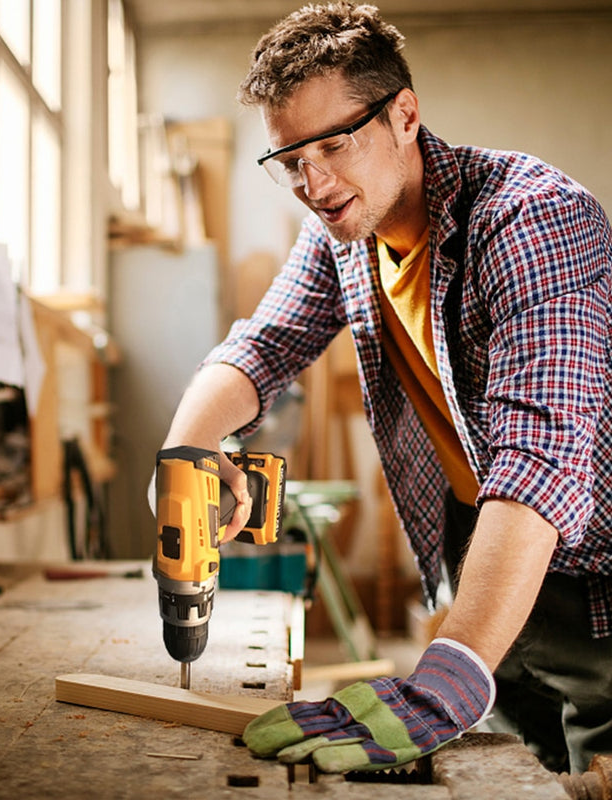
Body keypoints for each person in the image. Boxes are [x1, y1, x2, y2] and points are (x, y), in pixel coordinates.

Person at [159, 0, 612, 777]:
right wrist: (186, 449)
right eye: (291, 160)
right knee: (511, 779)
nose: (315, 182)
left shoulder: (530, 218)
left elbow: (539, 456)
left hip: (591, 581)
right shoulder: (346, 234)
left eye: (335, 143)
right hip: (491, 566)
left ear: (405, 114)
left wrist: (449, 675)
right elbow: (263, 346)